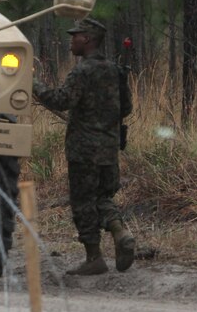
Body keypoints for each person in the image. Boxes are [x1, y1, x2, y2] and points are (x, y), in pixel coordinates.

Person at [34, 17, 136, 275]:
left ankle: (94, 258)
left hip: (84, 150)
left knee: (82, 202)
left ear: (87, 40)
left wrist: (31, 83)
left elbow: (60, 100)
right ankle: (120, 231)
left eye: (75, 36)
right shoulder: (115, 70)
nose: (71, 41)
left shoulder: (82, 71)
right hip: (109, 148)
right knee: (103, 197)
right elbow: (126, 108)